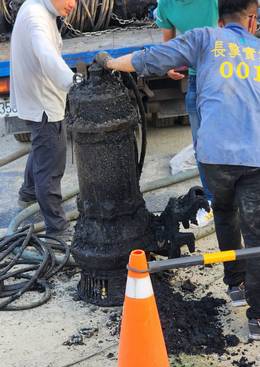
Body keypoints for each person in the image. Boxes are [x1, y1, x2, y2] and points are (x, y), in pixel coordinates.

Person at [95, 0, 260, 340]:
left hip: (215, 153)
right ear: (252, 19)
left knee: (225, 213)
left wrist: (110, 62)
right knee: (256, 234)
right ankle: (258, 319)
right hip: (255, 156)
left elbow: (151, 58)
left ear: (219, 17)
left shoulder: (203, 38)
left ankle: (235, 285)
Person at [10, 0, 76, 239]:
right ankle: (57, 229)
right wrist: (73, 83)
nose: (73, 4)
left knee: (42, 148)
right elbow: (47, 55)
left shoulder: (35, 7)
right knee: (51, 164)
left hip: (36, 99)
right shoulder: (36, 18)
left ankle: (28, 193)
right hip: (43, 103)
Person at [155, 0, 219, 227]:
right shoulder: (165, 4)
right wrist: (169, 63)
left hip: (223, 72)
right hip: (195, 77)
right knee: (201, 145)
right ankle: (211, 201)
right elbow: (168, 42)